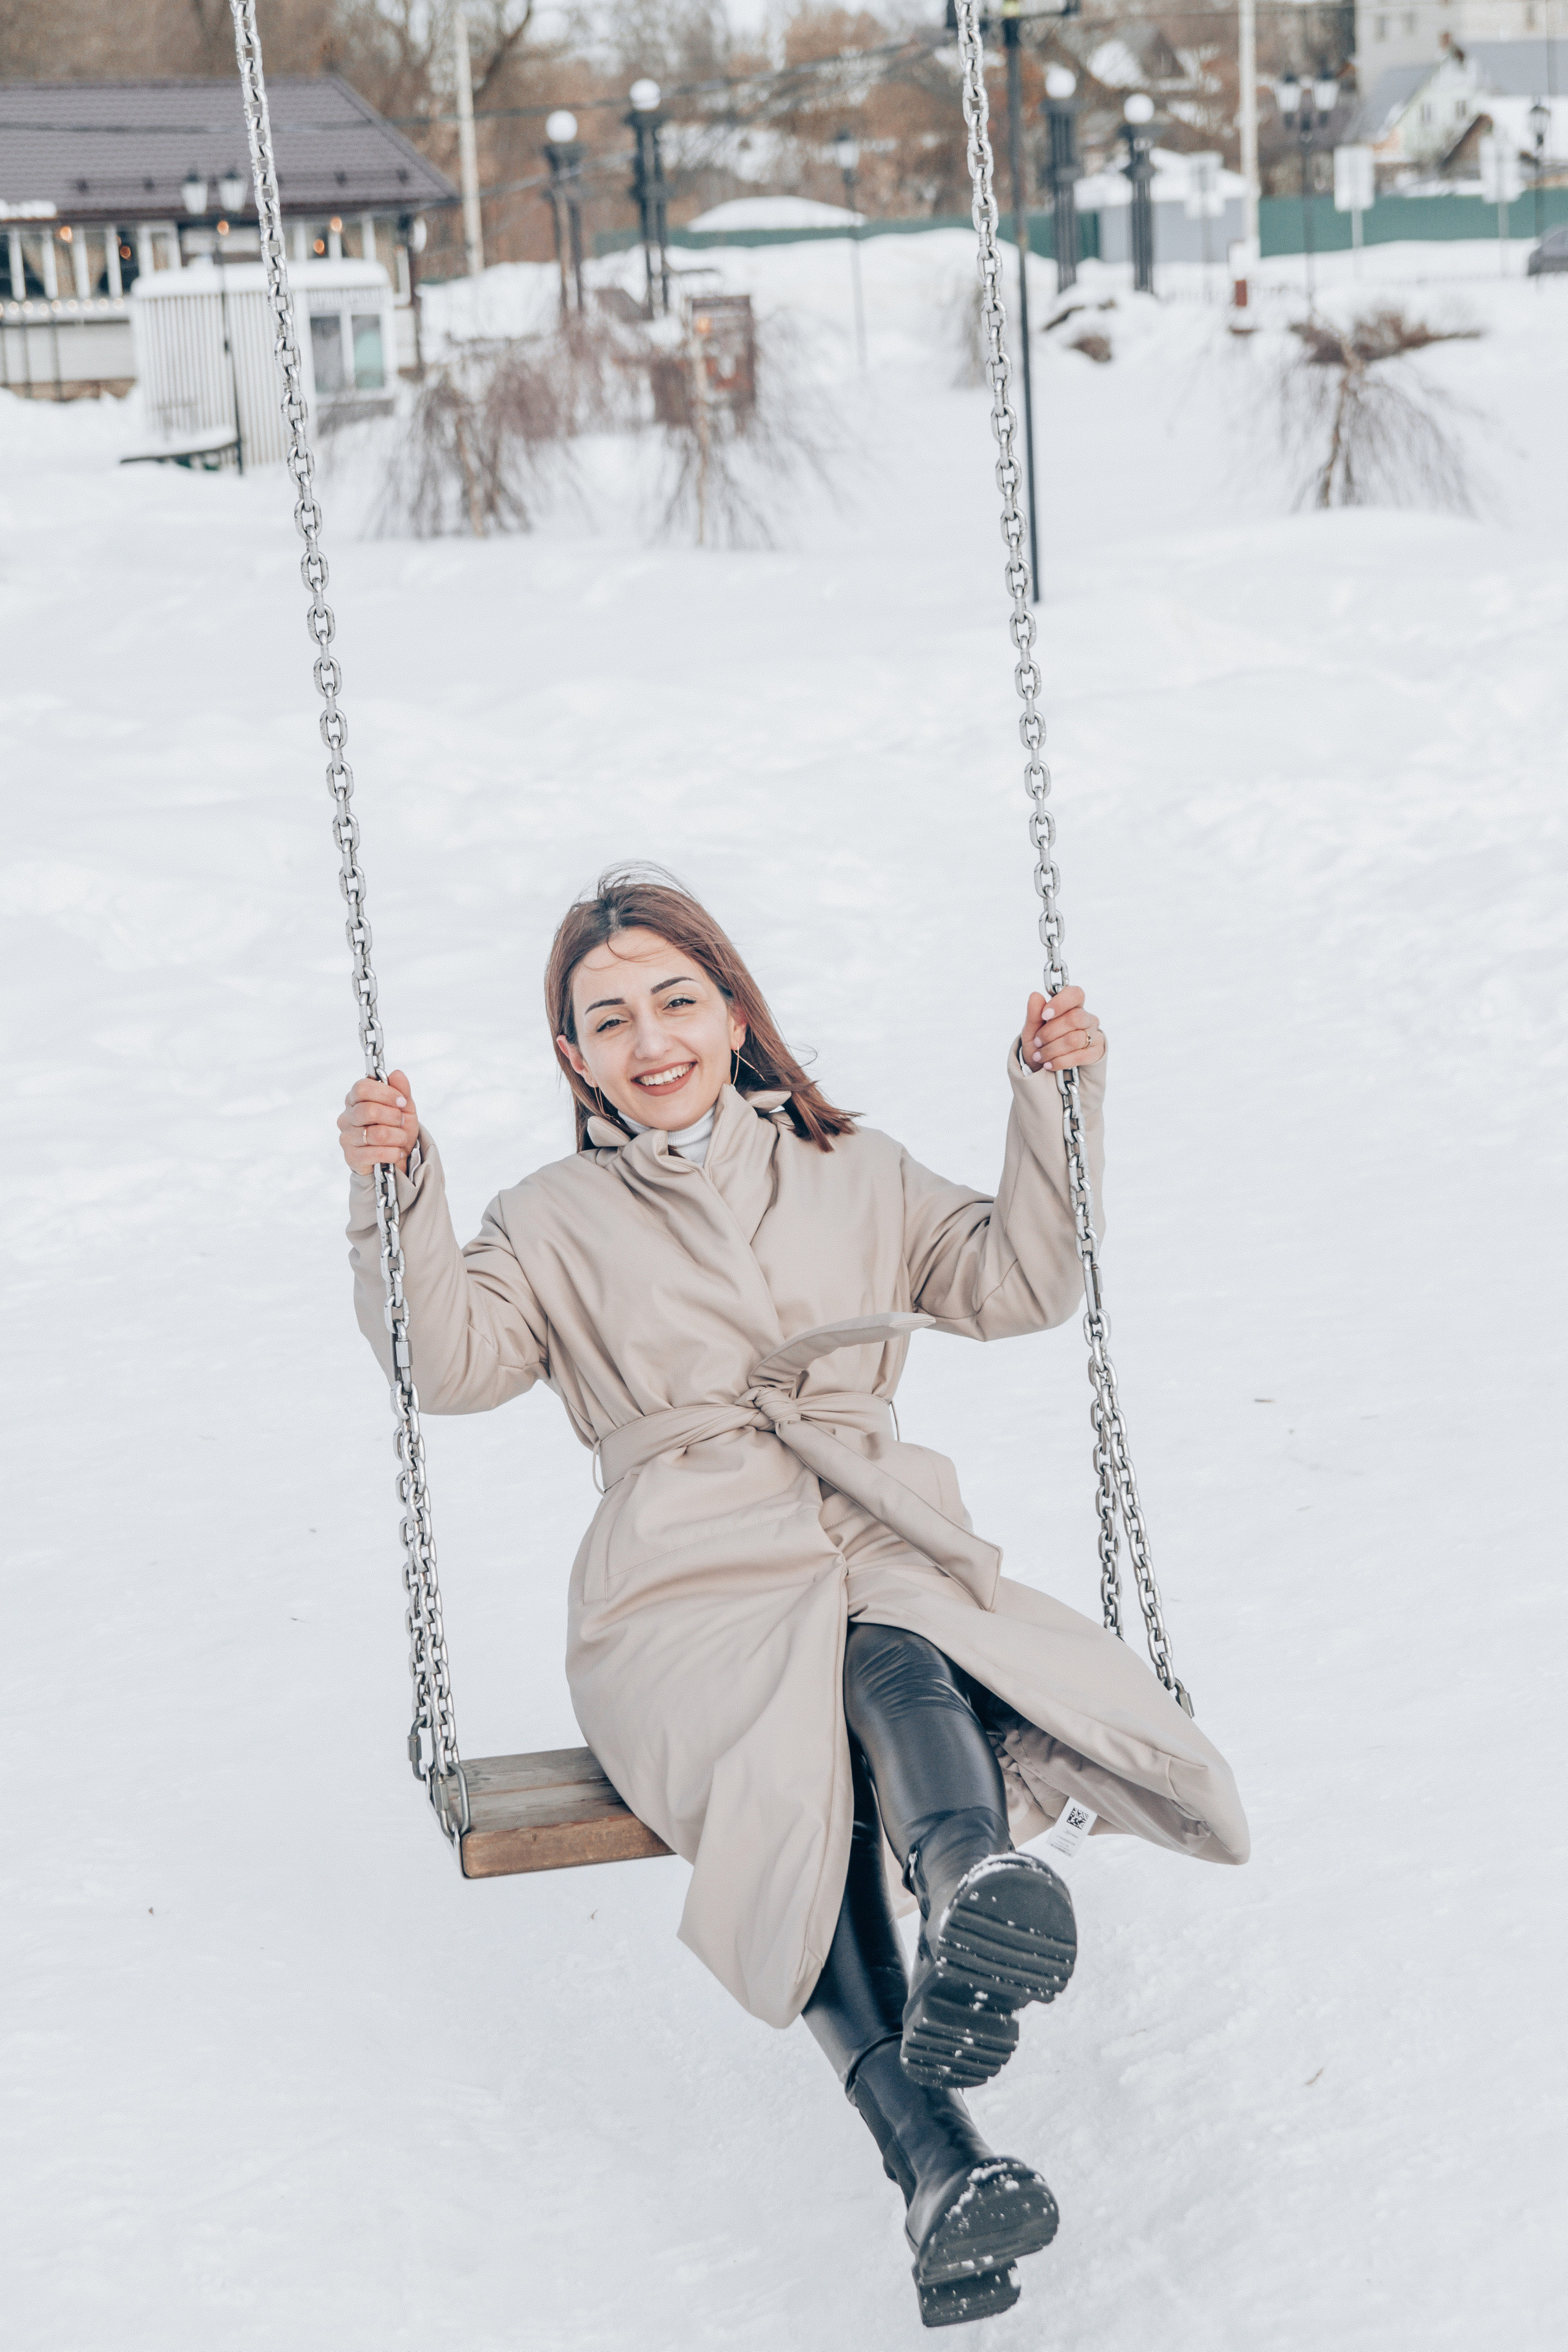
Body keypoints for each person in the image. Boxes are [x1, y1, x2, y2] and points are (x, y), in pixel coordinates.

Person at [341, 869, 1248, 2329]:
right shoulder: (550, 1216)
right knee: (788, 1760)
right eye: (609, 1019)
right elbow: (446, 1364)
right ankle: (940, 2137)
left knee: (895, 1624)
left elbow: (1017, 1283)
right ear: (573, 1059)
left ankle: (963, 1929)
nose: (650, 1041)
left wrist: (1052, 1095)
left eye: (676, 1001)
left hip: (867, 1527)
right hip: (677, 1587)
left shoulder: (854, 1169)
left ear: (731, 1011)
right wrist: (397, 1196)